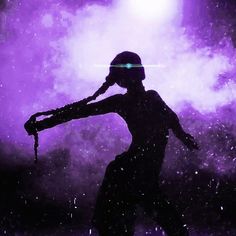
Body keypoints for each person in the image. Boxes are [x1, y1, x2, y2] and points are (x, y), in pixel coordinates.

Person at [25, 51, 199, 236]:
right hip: (141, 164)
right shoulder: (136, 100)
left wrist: (183, 136)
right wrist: (43, 124)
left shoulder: (136, 100)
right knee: (145, 202)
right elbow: (81, 111)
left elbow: (171, 118)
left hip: (137, 164)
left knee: (137, 202)